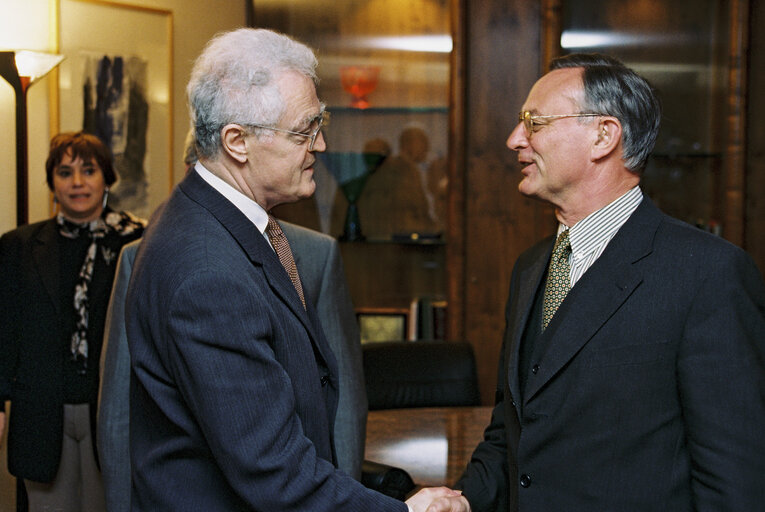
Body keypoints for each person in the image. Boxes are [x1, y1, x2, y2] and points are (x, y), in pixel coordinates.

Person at [124, 27, 453, 511]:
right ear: (237, 141)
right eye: (303, 131)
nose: (320, 145)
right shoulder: (207, 274)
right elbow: (271, 470)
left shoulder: (213, 218)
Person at [421, 53, 765, 512]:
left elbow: (734, 479)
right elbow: (511, 435)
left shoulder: (708, 274)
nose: (514, 139)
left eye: (535, 122)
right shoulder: (531, 267)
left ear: (603, 136)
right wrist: (462, 502)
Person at [97, 222, 369, 511]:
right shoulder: (142, 256)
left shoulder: (316, 253)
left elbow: (345, 397)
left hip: (298, 483)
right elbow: (119, 405)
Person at [0, 131, 145, 511]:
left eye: (89, 170)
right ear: (52, 183)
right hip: (42, 414)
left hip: (114, 415)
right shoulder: (19, 246)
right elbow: (4, 329)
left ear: (106, 179)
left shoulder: (137, 243)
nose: (77, 182)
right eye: (65, 172)